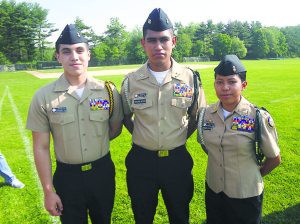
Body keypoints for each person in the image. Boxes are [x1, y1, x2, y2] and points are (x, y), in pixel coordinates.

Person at [26, 24, 123, 224]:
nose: (74, 56)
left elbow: (115, 129)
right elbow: (41, 147)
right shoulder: (43, 97)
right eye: (66, 51)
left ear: (88, 54)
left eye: (80, 50)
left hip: (102, 173)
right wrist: (48, 191)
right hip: (67, 178)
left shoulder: (108, 91)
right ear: (58, 57)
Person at [120, 8, 206, 224]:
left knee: (179, 216)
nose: (158, 46)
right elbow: (124, 116)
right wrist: (143, 133)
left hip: (177, 161)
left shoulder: (190, 78)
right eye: (152, 40)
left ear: (173, 41)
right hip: (141, 162)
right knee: (143, 216)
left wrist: (176, 137)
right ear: (143, 43)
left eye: (164, 39)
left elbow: (198, 117)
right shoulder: (131, 81)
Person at [197, 54, 281, 224]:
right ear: (214, 85)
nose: (225, 87)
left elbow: (274, 158)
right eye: (219, 82)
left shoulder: (257, 117)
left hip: (246, 195)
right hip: (214, 191)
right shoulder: (206, 114)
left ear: (243, 85)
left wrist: (254, 176)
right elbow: (206, 145)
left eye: (231, 82)